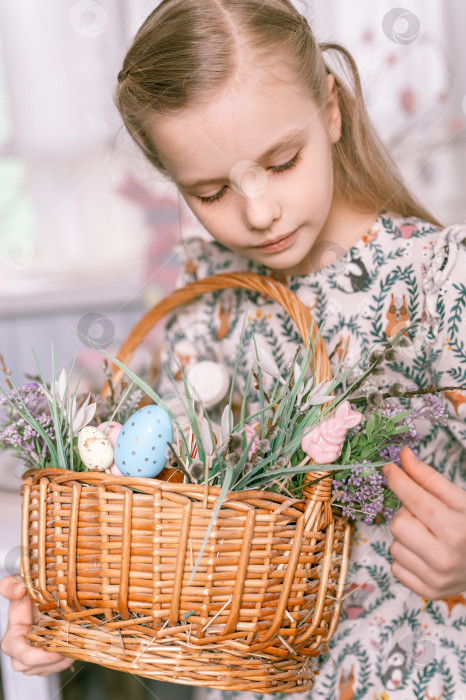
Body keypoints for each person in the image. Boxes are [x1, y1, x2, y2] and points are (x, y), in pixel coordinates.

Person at [2, 0, 466, 697]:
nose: (257, 212)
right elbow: (155, 498)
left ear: (331, 111)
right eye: (210, 190)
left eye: (282, 162)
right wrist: (66, 600)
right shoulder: (206, 284)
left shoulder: (437, 282)